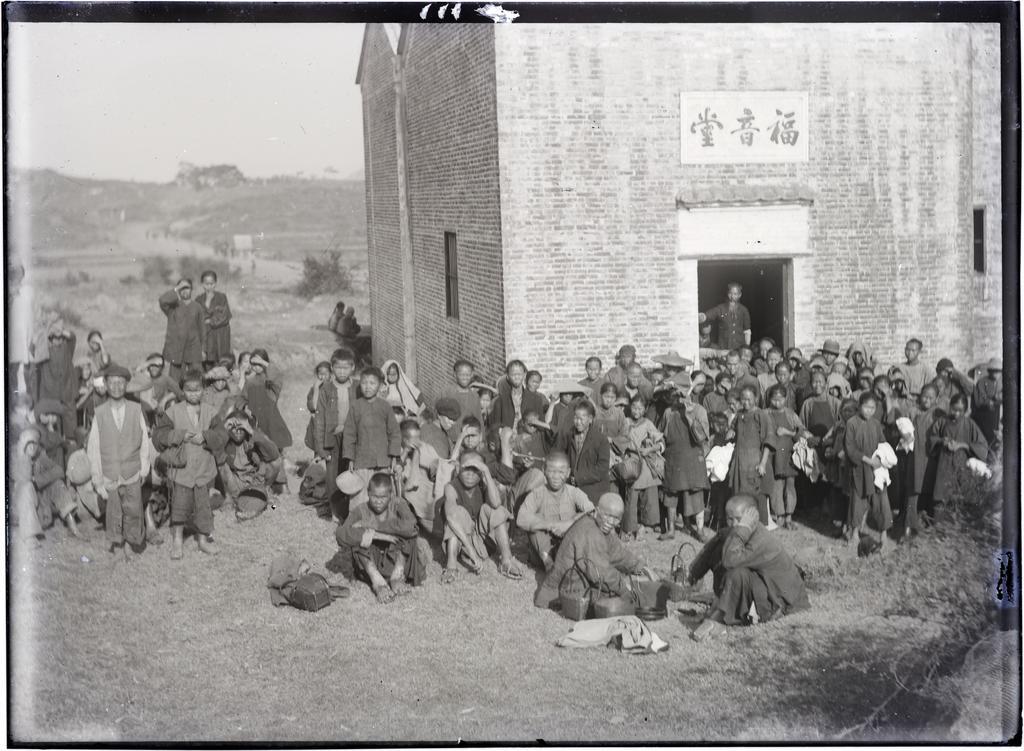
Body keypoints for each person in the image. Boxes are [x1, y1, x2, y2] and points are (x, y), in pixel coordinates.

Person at [688, 494, 809, 637]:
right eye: (730, 519)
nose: (734, 524)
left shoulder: (761, 539)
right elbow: (719, 543)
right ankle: (717, 603)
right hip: (762, 584)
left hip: (782, 600)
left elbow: (729, 561)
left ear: (753, 518)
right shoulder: (738, 531)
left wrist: (743, 528)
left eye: (739, 520)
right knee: (722, 541)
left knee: (736, 573)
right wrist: (694, 574)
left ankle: (722, 618)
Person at [151, 370, 224, 560]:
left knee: (203, 508)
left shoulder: (211, 412)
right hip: (182, 471)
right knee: (179, 506)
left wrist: (207, 436)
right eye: (189, 390)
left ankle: (202, 540)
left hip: (203, 470)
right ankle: (177, 541)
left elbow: (223, 436)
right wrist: (178, 435)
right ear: (182, 390)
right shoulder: (173, 411)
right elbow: (158, 437)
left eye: (197, 389)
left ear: (203, 390)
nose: (194, 393)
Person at [533, 492, 650, 610]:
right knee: (622, 599)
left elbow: (617, 553)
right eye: (607, 515)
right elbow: (601, 574)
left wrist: (640, 567)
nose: (611, 522)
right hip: (564, 593)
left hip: (579, 584)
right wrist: (625, 591)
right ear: (597, 510)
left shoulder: (600, 526)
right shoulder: (591, 532)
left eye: (616, 518)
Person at [86, 364, 152, 560]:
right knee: (114, 511)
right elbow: (94, 449)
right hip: (110, 472)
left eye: (120, 382)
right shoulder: (99, 413)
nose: (116, 386)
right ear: (105, 384)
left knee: (133, 510)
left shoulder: (135, 409)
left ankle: (130, 544)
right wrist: (98, 480)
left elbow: (144, 444)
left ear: (126, 385)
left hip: (132, 471)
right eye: (112, 382)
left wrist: (143, 469)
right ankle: (117, 541)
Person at [332, 472, 424, 603]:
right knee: (360, 538)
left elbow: (412, 527)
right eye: (374, 496)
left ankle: (396, 577)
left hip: (396, 560)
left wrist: (375, 527)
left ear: (390, 495)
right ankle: (378, 584)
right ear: (368, 493)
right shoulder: (361, 510)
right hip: (371, 563)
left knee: (408, 537)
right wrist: (375, 535)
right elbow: (340, 534)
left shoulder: (398, 504)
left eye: (383, 497)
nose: (379, 501)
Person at [441, 452, 522, 582]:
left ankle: (506, 560)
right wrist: (471, 550)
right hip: (462, 543)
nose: (470, 474)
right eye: (466, 469)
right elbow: (450, 517)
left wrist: (486, 471)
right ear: (458, 468)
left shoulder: (483, 483)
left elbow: (496, 503)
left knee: (496, 510)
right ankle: (451, 567)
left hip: (482, 543)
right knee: (456, 513)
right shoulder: (451, 487)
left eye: (476, 470)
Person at [517, 451, 595, 571]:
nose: (556, 477)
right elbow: (521, 519)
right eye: (552, 471)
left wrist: (570, 522)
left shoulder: (574, 492)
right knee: (534, 525)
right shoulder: (537, 493)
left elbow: (593, 512)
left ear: (568, 473)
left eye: (561, 472)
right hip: (542, 551)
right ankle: (549, 564)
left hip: (567, 544)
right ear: (544, 470)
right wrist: (552, 525)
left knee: (587, 523)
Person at [342, 367, 402, 510]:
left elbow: (394, 432)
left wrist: (393, 456)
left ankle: (385, 518)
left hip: (382, 459)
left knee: (382, 490)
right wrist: (350, 458)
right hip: (362, 458)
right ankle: (358, 517)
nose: (368, 387)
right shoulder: (356, 407)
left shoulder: (385, 407)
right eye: (364, 383)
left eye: (372, 383)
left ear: (380, 386)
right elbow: (349, 434)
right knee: (360, 493)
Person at [660, 374, 711, 542]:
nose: (678, 397)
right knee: (671, 495)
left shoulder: (699, 411)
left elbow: (702, 438)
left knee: (696, 494)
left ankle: (701, 530)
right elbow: (662, 435)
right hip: (673, 459)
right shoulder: (669, 412)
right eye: (675, 394)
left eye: (680, 393)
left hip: (693, 458)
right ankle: (671, 529)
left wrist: (690, 417)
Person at [11, 427, 81, 545]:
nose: (32, 447)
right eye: (28, 444)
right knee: (27, 486)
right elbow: (25, 478)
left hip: (41, 511)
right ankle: (30, 537)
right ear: (22, 445)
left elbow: (59, 470)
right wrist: (25, 457)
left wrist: (37, 480)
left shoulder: (40, 456)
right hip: (20, 511)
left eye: (35, 443)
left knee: (57, 483)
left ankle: (72, 525)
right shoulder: (13, 458)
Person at [927, 393, 988, 521]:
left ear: (965, 411)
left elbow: (982, 445)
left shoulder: (970, 424)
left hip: (961, 463)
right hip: (944, 463)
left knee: (959, 495)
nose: (956, 413)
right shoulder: (942, 421)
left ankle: (955, 525)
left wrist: (963, 445)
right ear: (950, 407)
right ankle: (938, 526)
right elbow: (932, 438)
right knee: (941, 494)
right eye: (954, 409)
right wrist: (941, 441)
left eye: (960, 411)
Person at [312, 348, 360, 511]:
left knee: (350, 471)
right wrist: (320, 447)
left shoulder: (358, 388)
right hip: (332, 438)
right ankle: (334, 509)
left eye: (346, 367)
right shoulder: (326, 389)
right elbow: (319, 420)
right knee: (333, 475)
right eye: (338, 367)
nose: (341, 371)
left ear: (353, 368)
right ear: (332, 368)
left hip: (352, 438)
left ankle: (349, 508)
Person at [844, 392, 892, 551]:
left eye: (872, 408)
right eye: (866, 407)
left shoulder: (877, 424)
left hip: (876, 470)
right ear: (859, 406)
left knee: (881, 502)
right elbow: (850, 448)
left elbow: (883, 444)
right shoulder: (851, 423)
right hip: (859, 469)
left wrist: (881, 459)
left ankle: (883, 536)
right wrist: (867, 459)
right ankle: (855, 534)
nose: (869, 411)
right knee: (857, 501)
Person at [759, 384, 811, 530]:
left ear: (786, 398)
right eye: (774, 400)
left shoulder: (791, 414)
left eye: (780, 399)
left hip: (789, 456)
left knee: (790, 486)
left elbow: (801, 432)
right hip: (772, 456)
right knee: (776, 485)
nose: (777, 403)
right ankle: (779, 515)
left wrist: (788, 432)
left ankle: (789, 516)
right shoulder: (764, 414)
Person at [220, 410, 284, 518]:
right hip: (236, 483)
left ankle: (267, 491)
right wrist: (223, 430)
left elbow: (274, 455)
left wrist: (251, 431)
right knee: (221, 465)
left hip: (257, 481)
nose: (238, 431)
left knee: (276, 462)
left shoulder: (254, 437)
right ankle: (230, 498)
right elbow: (213, 453)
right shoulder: (226, 441)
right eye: (234, 427)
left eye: (241, 427)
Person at [620, 394, 664, 539]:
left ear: (644, 410)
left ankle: (646, 525)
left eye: (640, 408)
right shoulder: (625, 421)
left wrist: (650, 449)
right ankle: (629, 527)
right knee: (631, 496)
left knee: (649, 495)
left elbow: (660, 442)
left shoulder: (648, 423)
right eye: (634, 407)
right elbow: (619, 439)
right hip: (631, 462)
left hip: (645, 463)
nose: (636, 411)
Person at [727, 386, 771, 526]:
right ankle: (741, 524)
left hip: (754, 461)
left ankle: (758, 526)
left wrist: (763, 463)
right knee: (739, 493)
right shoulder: (739, 415)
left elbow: (768, 441)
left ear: (755, 399)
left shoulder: (761, 415)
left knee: (754, 494)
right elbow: (733, 430)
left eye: (749, 399)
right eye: (743, 399)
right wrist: (731, 433)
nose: (745, 402)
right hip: (739, 460)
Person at [242, 349, 293, 458]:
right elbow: (243, 397)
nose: (256, 366)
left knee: (274, 450)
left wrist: (264, 363)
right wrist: (245, 407)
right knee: (257, 451)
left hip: (270, 421)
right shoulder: (250, 381)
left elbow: (277, 375)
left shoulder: (270, 380)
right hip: (255, 421)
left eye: (259, 364)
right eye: (254, 364)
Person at [35, 318, 78, 438]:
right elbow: (33, 348)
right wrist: (47, 330)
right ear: (50, 338)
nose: (57, 340)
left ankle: (71, 442)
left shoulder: (67, 348)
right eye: (54, 337)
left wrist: (60, 330)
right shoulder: (44, 351)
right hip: (51, 393)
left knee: (70, 424)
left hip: (67, 391)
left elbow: (72, 337)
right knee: (54, 425)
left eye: (59, 338)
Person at [566, 399, 610, 505]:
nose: (578, 422)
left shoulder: (601, 439)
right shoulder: (569, 435)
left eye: (582, 419)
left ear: (590, 419)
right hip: (572, 487)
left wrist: (578, 478)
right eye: (576, 418)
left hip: (594, 490)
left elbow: (602, 469)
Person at [159, 278, 204, 381]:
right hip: (177, 348)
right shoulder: (172, 308)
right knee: (175, 379)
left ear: (192, 289)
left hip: (193, 348)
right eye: (181, 288)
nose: (184, 291)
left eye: (187, 288)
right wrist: (176, 289)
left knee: (197, 377)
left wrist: (203, 349)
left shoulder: (197, 307)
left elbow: (202, 330)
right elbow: (162, 300)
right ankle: (176, 396)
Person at [490, 359, 547, 431]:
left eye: (519, 374)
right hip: (508, 440)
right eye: (513, 374)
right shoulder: (501, 400)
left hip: (529, 440)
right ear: (507, 376)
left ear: (524, 375)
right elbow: (495, 426)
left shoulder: (535, 399)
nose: (517, 377)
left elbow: (541, 426)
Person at [195, 270, 232, 369]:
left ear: (215, 283)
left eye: (211, 284)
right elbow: (198, 317)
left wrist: (210, 321)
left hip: (219, 335)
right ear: (202, 284)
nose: (209, 286)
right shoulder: (198, 300)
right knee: (206, 362)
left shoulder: (222, 297)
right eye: (206, 284)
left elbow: (225, 316)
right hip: (206, 335)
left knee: (220, 361)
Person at [440, 360, 484, 443]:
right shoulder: (447, 393)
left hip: (468, 440)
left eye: (468, 375)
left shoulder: (474, 396)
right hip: (450, 439)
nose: (465, 377)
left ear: (472, 375)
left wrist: (481, 440)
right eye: (462, 375)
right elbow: (439, 416)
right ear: (455, 374)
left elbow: (479, 420)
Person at [699, 282, 751, 351]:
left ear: (740, 295)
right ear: (727, 293)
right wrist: (702, 316)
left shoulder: (744, 310)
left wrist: (746, 348)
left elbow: (747, 331)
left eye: (735, 294)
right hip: (723, 348)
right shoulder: (721, 308)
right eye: (730, 293)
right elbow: (709, 314)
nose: (732, 297)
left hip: (739, 348)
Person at [971, 358, 1002, 447]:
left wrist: (999, 398)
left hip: (997, 413)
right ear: (989, 371)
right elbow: (978, 400)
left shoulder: (1002, 382)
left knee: (997, 437)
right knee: (986, 436)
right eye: (994, 371)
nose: (996, 374)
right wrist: (989, 401)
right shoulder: (982, 382)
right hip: (985, 414)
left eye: (998, 371)